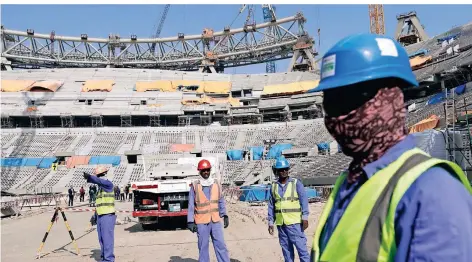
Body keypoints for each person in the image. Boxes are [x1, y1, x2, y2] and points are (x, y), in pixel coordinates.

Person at [309, 33, 472, 262]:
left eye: (350, 98)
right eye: (331, 102)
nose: (338, 114)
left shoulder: (432, 191)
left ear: (392, 98)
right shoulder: (348, 184)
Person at [268, 157, 310, 262]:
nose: (284, 171)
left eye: (286, 169)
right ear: (277, 171)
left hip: (295, 223)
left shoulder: (296, 183)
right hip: (281, 224)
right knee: (287, 252)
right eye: (281, 170)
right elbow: (271, 205)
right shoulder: (273, 186)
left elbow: (304, 201)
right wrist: (270, 222)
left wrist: (305, 217)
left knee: (302, 250)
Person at [187, 159, 230, 262]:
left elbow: (220, 200)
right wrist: (190, 221)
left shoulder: (216, 183)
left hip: (215, 221)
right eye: (203, 170)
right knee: (203, 248)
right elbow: (191, 205)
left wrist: (224, 215)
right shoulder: (195, 186)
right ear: (200, 171)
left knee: (221, 245)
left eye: (207, 170)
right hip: (201, 222)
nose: (206, 172)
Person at [83, 166, 116, 262]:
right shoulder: (100, 189)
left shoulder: (108, 184)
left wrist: (90, 177)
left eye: (98, 176)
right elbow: (99, 204)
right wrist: (94, 216)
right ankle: (104, 258)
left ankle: (109, 259)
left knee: (107, 239)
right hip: (100, 216)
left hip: (108, 215)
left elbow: (100, 181)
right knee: (101, 239)